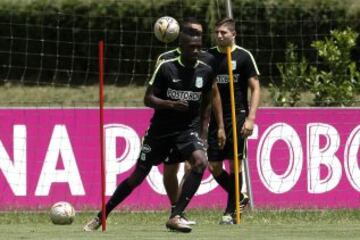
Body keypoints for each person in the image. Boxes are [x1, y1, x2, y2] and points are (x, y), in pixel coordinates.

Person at [83, 29, 224, 233]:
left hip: (186, 131)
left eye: (198, 47)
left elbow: (208, 103)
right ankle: (101, 215)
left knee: (200, 162)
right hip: (160, 132)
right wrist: (171, 104)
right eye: (191, 47)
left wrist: (203, 134)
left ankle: (176, 215)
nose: (196, 51)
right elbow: (148, 98)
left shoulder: (205, 71)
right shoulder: (166, 68)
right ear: (182, 48)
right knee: (137, 177)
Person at [155, 17, 225, 226]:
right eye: (193, 33)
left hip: (192, 124)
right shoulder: (165, 59)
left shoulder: (206, 61)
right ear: (182, 35)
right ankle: (175, 210)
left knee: (195, 164)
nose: (196, 38)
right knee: (170, 170)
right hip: (169, 125)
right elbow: (155, 93)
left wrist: (218, 125)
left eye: (200, 34)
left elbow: (213, 95)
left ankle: (179, 211)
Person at [207, 18, 260, 224]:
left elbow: (255, 88)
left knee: (234, 164)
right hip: (215, 117)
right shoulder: (209, 56)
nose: (219, 36)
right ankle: (239, 197)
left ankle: (230, 212)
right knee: (214, 165)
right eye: (217, 32)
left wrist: (251, 118)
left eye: (224, 33)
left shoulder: (244, 56)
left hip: (237, 116)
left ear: (233, 34)